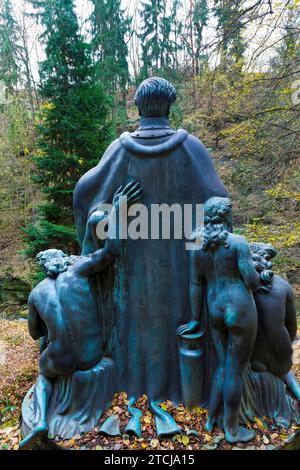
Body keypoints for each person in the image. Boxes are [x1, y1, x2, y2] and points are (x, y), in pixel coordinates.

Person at [73, 77, 229, 402]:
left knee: (135, 328)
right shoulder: (190, 148)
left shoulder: (119, 150)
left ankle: (132, 387)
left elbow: (85, 194)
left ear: (139, 107)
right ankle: (182, 393)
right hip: (182, 275)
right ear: (169, 106)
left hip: (130, 278)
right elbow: (218, 201)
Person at [19, 180, 142, 450]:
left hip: (60, 359)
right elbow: (110, 251)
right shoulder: (79, 270)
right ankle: (44, 418)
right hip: (90, 355)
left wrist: (52, 328)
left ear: (44, 268)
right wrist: (120, 210)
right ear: (63, 259)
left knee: (44, 371)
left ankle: (40, 418)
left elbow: (35, 333)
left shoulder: (36, 293)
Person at [177, 197, 259, 443]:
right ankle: (232, 429)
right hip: (239, 308)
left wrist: (194, 319)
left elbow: (195, 284)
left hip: (214, 309)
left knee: (222, 366)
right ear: (227, 217)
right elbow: (251, 280)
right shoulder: (237, 243)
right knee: (234, 369)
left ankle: (211, 420)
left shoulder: (198, 246)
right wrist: (258, 272)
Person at [250, 243, 300, 403]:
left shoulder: (244, 286)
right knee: (284, 370)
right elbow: (292, 327)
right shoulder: (284, 285)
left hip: (254, 356)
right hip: (282, 355)